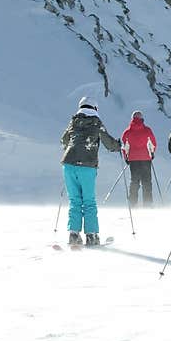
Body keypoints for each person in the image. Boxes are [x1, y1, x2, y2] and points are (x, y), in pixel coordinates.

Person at [61, 97, 121, 246]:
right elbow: (109, 144)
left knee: (75, 200)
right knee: (88, 201)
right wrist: (119, 145)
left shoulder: (73, 122)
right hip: (87, 165)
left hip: (68, 164)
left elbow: (64, 140)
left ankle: (73, 235)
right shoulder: (96, 123)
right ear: (95, 108)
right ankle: (91, 235)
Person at [121, 111, 157, 206]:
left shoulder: (127, 132)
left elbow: (125, 147)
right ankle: (148, 204)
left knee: (134, 181)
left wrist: (126, 157)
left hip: (133, 160)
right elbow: (152, 144)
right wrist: (152, 153)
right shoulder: (147, 130)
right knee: (147, 182)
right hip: (145, 159)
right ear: (142, 119)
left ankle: (132, 204)